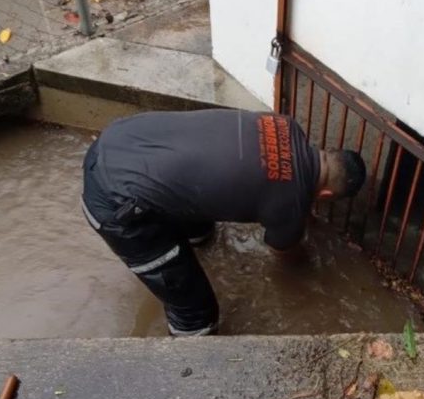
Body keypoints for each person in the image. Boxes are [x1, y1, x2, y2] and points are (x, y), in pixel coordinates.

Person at [80, 109, 367, 336]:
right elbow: (284, 254)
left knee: (202, 228)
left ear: (328, 151)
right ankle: (187, 365)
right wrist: (304, 264)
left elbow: (267, 169)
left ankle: (192, 237)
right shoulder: (291, 203)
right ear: (326, 195)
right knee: (197, 315)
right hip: (115, 203)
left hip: (120, 140)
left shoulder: (285, 124)